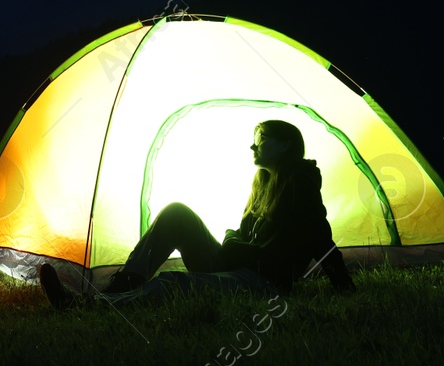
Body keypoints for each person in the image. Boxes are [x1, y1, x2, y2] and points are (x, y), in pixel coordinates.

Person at [38, 119, 355, 310]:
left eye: (261, 139)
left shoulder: (300, 181)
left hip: (264, 280)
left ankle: (90, 306)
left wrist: (345, 289)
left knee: (173, 283)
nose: (252, 146)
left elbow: (319, 236)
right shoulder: (262, 181)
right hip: (236, 263)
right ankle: (121, 287)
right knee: (176, 212)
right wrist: (233, 242)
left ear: (285, 145)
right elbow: (243, 235)